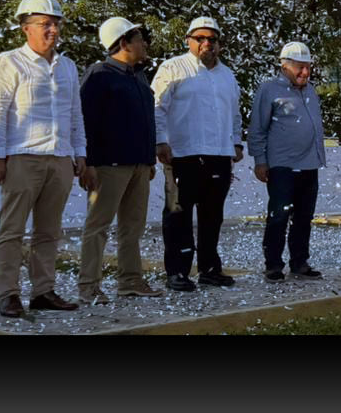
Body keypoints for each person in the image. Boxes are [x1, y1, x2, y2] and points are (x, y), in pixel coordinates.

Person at [0, 0, 86, 318]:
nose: (53, 30)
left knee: (49, 231)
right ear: (25, 27)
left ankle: (43, 291)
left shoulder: (67, 66)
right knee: (11, 229)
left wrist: (80, 152)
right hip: (22, 156)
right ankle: (9, 294)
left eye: (56, 23)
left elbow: (75, 114)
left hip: (59, 158)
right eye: (45, 23)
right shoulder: (8, 62)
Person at [152, 16, 244, 292]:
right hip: (182, 154)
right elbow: (157, 107)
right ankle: (177, 272)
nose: (206, 44)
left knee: (212, 216)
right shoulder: (173, 68)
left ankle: (210, 268)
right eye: (200, 38)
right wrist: (160, 141)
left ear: (219, 44)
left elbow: (235, 112)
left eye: (212, 39)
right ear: (188, 41)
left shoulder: (227, 74)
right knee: (178, 215)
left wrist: (236, 143)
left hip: (218, 154)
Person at [77, 17, 164, 304]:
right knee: (98, 225)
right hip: (107, 165)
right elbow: (85, 120)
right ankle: (88, 285)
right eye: (139, 38)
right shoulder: (98, 75)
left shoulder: (138, 76)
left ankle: (130, 280)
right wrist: (87, 161)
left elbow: (145, 119)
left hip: (139, 163)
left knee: (133, 226)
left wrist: (148, 158)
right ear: (123, 42)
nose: (144, 44)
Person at [249, 42, 327, 283]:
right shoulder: (269, 90)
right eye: (299, 68)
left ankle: (299, 262)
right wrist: (260, 161)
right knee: (279, 216)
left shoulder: (311, 91)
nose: (305, 73)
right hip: (282, 166)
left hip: (309, 165)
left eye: (308, 68)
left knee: (304, 217)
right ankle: (273, 265)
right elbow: (257, 129)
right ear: (284, 66)